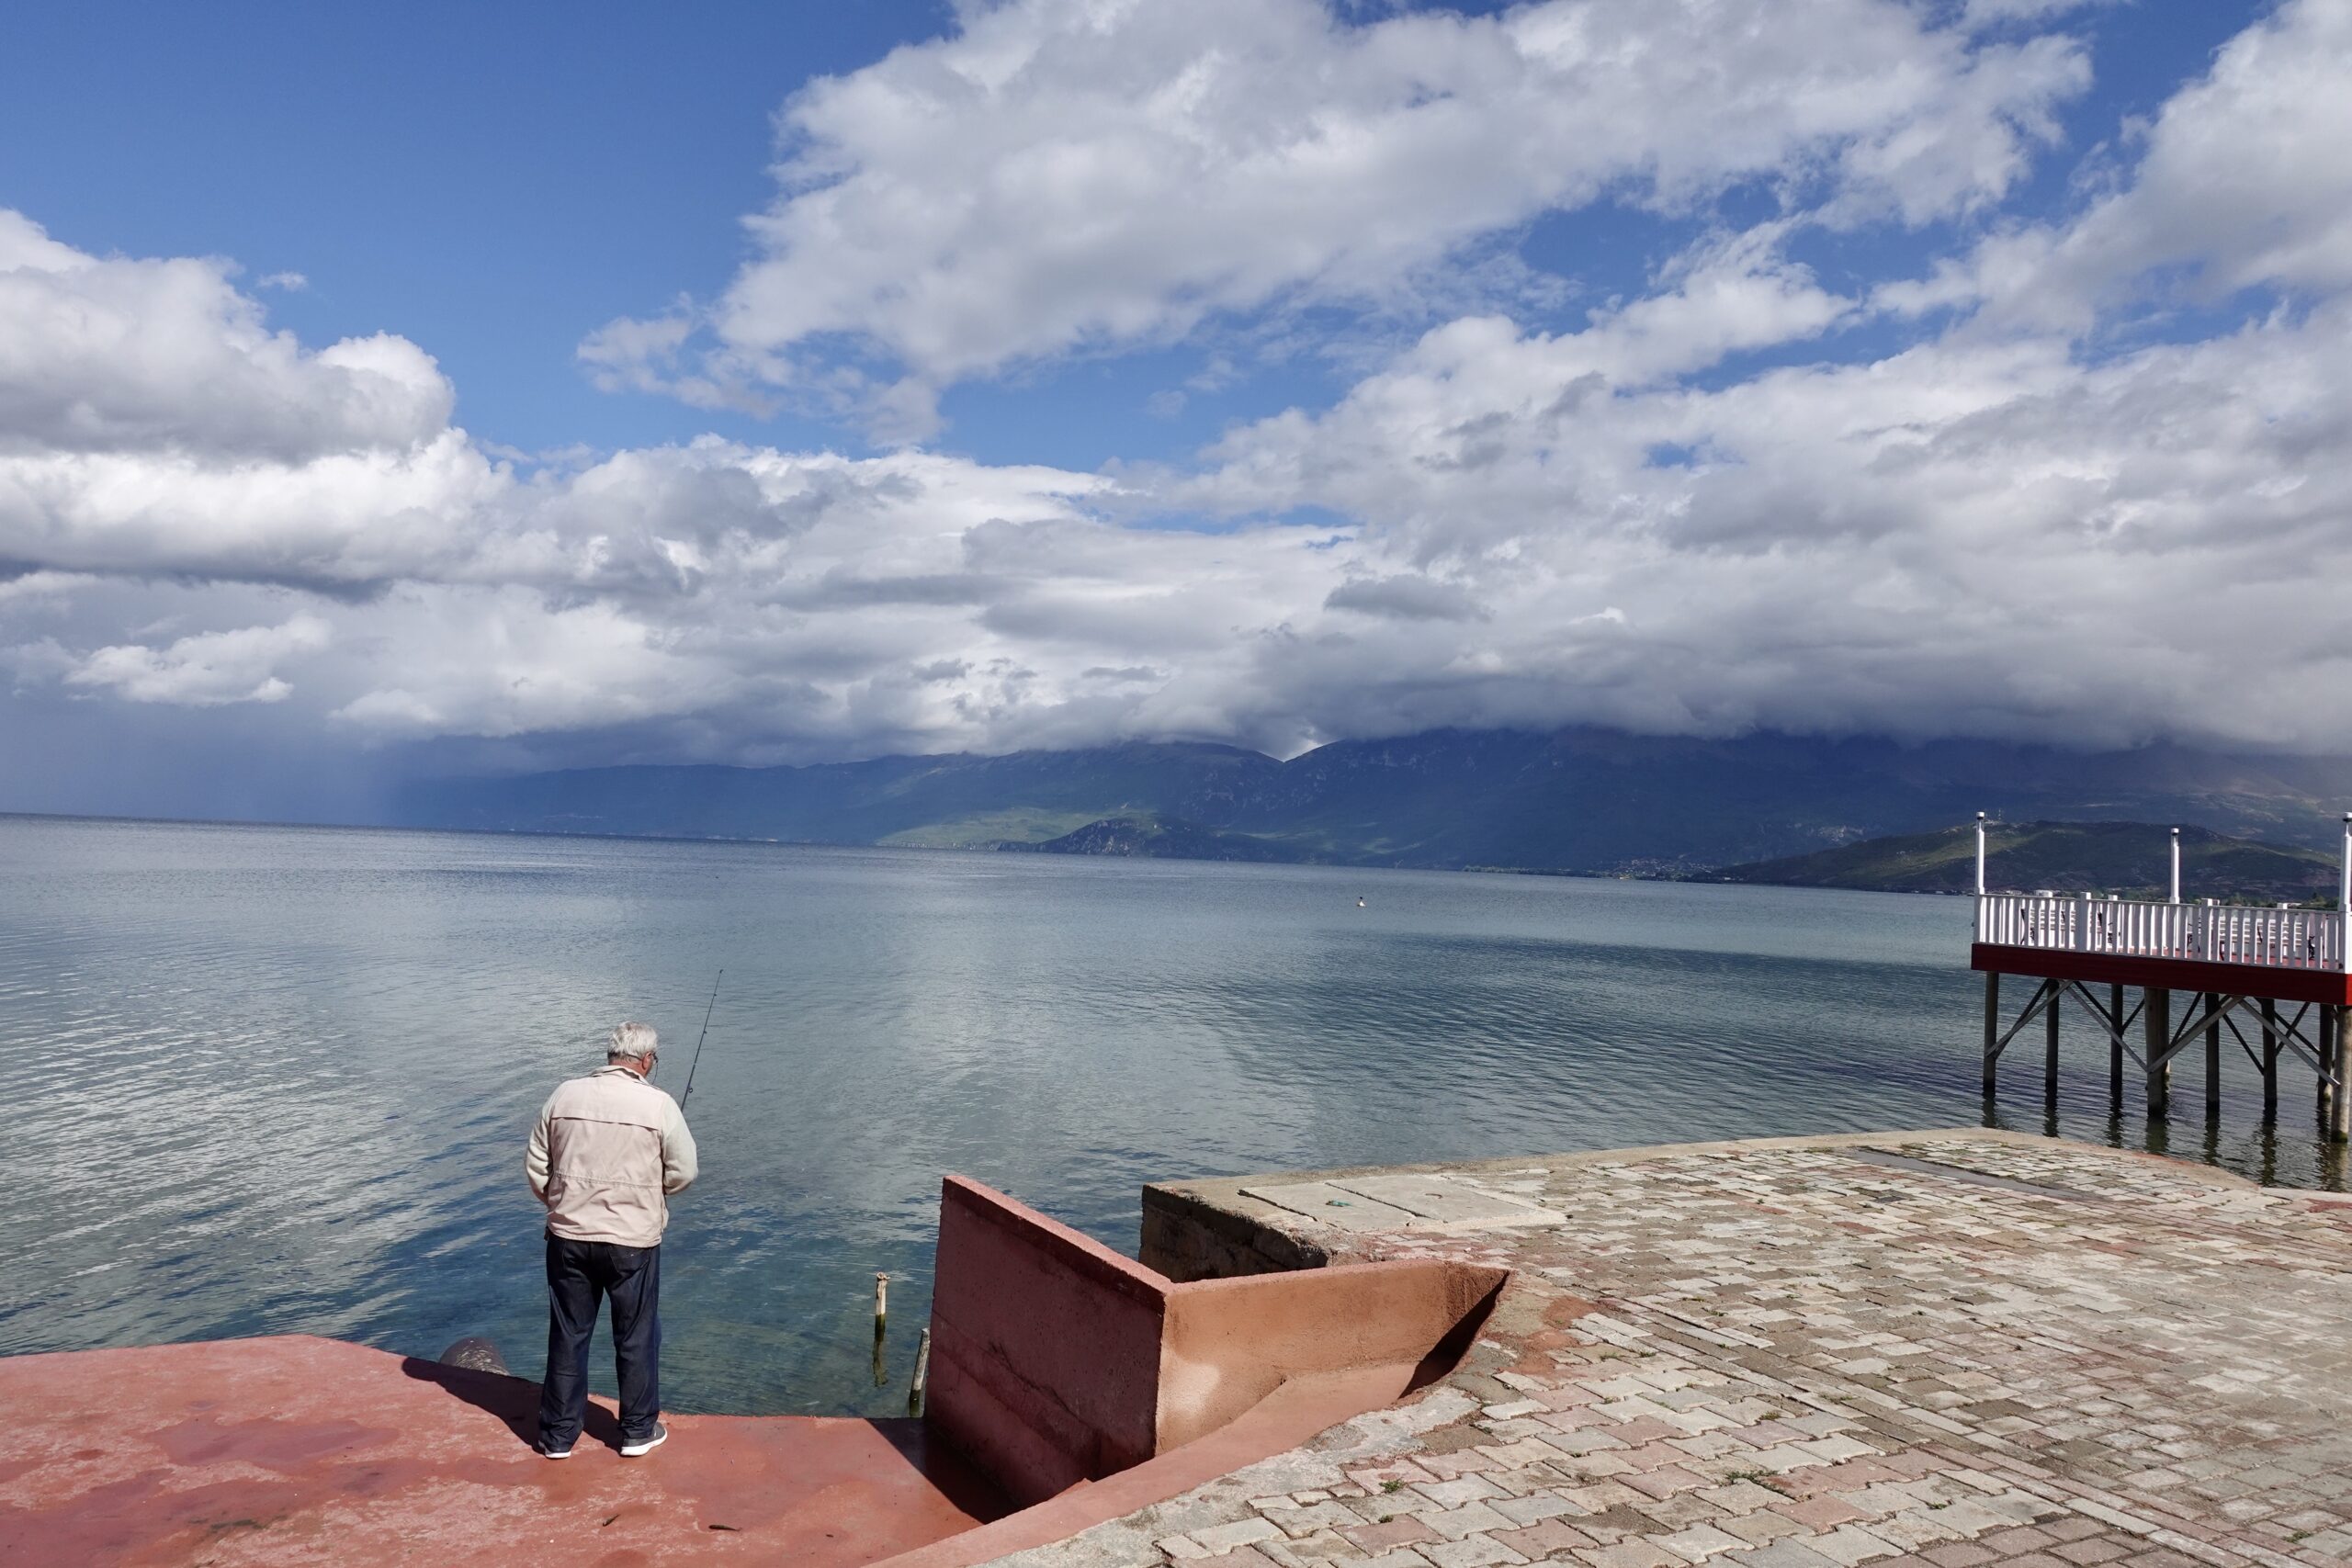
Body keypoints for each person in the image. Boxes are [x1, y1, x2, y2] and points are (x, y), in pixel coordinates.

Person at [525, 1021, 697, 1459]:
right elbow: (684, 1172)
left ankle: (558, 1437)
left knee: (568, 1334)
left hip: (568, 1236)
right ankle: (638, 1431)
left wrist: (561, 1201)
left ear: (609, 1055)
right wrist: (651, 1193)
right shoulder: (658, 1105)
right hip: (632, 1242)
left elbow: (537, 1165)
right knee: (636, 1335)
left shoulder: (564, 1094)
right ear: (646, 1060)